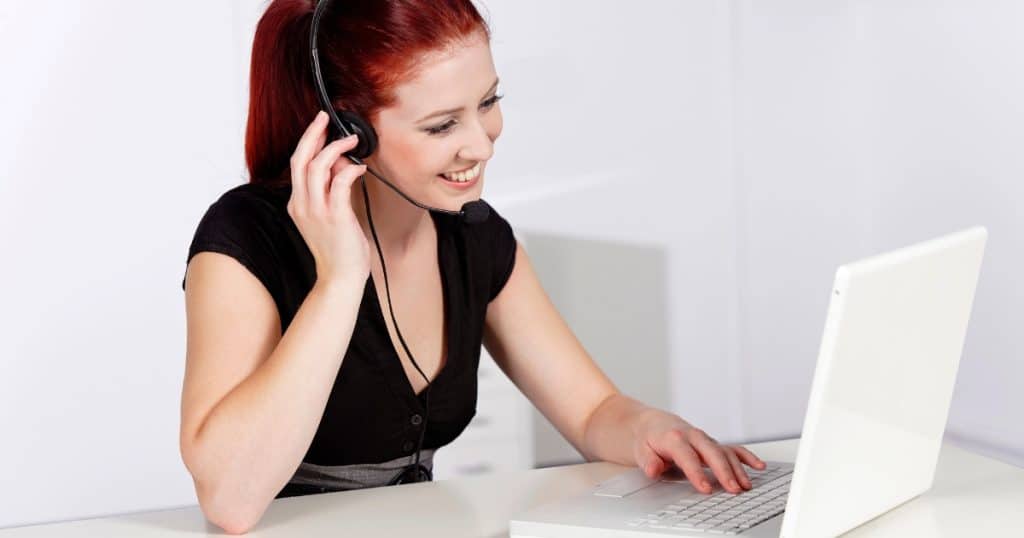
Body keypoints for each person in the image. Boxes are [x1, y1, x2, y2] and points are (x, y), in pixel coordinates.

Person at [179, 0, 766, 534]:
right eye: (442, 125)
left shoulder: (474, 237)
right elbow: (230, 500)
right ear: (345, 132)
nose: (482, 145)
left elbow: (592, 411)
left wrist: (651, 429)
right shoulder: (245, 239)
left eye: (487, 103)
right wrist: (338, 281)